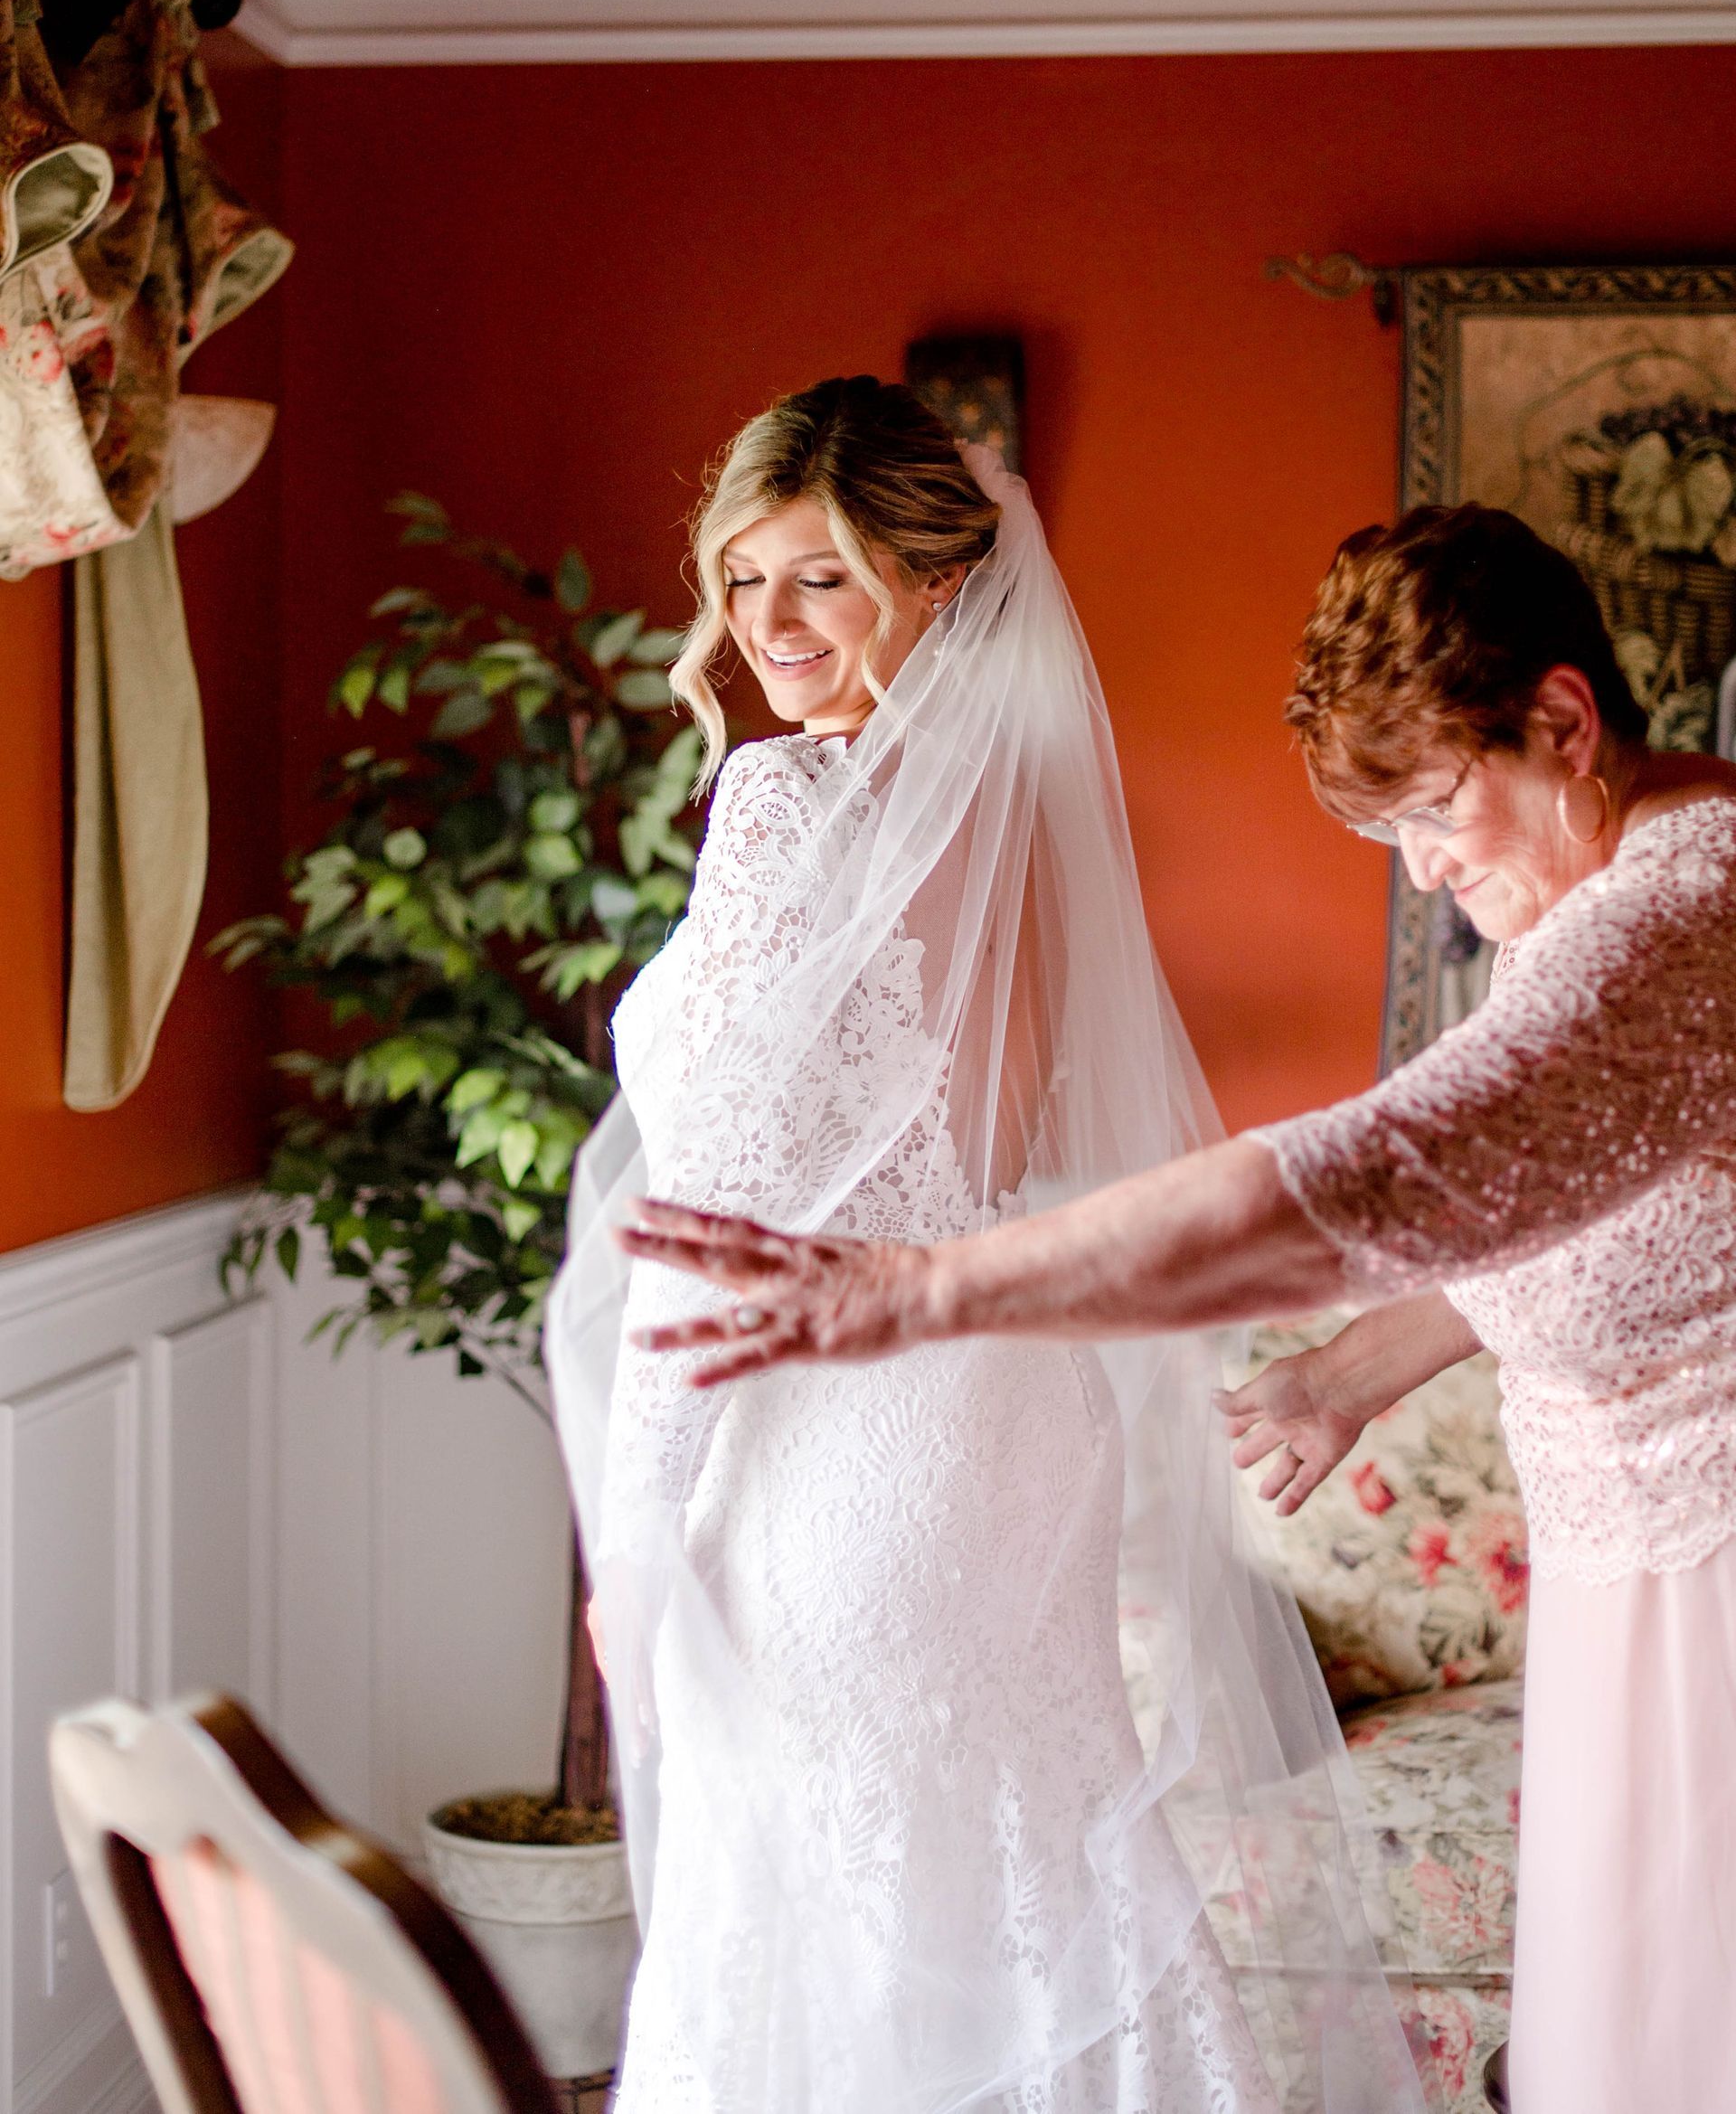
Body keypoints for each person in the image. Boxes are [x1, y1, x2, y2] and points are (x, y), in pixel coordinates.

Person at [624, 500, 1736, 2114]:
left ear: (1563, 719)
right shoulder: (1599, 868)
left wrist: (925, 1287)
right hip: (1628, 1590)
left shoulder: (1666, 929)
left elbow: (1382, 1169)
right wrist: (1351, 1372)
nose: (1428, 874)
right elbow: (1576, 1223)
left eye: (1434, 812)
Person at [546, 379, 1426, 2114]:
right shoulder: (1023, 808)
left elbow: (711, 1226)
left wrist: (634, 1530)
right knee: (1041, 1874)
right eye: (744, 579)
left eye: (822, 577)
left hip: (842, 1465)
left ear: (933, 580)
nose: (767, 627)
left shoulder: (795, 809)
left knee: (822, 1919)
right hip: (1012, 1425)